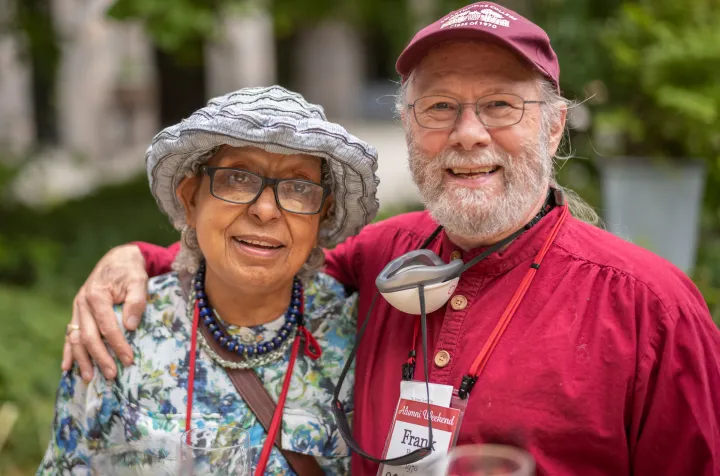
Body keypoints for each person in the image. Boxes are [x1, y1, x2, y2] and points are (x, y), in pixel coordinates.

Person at [63, 3, 720, 475]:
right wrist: (138, 260)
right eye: (439, 107)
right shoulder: (387, 255)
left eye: (499, 105)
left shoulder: (653, 311)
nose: (468, 133)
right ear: (410, 129)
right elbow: (265, 261)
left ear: (552, 128)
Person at [40, 85, 380, 475]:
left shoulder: (362, 335)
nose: (266, 209)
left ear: (323, 214)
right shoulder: (117, 333)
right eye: (238, 178)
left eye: (299, 187)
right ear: (190, 199)